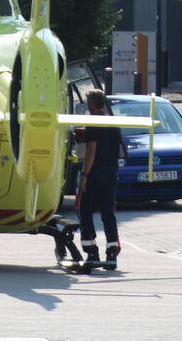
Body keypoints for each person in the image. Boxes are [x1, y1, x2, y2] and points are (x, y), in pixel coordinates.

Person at [78, 89, 122, 269]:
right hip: (111, 172)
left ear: (91, 104)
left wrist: (84, 176)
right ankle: (112, 254)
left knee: (85, 210)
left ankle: (91, 252)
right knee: (108, 213)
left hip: (95, 173)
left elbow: (91, 150)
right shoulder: (113, 122)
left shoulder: (94, 122)